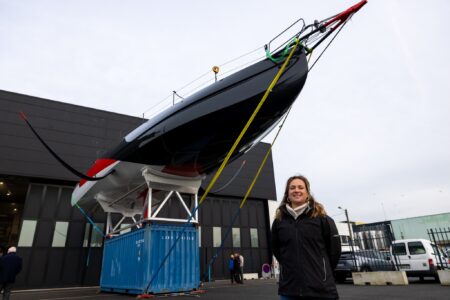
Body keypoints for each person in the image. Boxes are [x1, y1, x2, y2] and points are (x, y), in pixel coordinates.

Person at [271, 175, 341, 300]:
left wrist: (322, 273)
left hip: (321, 291)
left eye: (300, 187)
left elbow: (334, 252)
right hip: (289, 291)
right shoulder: (279, 221)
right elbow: (277, 250)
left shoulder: (323, 219)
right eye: (292, 188)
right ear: (287, 193)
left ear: (307, 193)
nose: (296, 190)